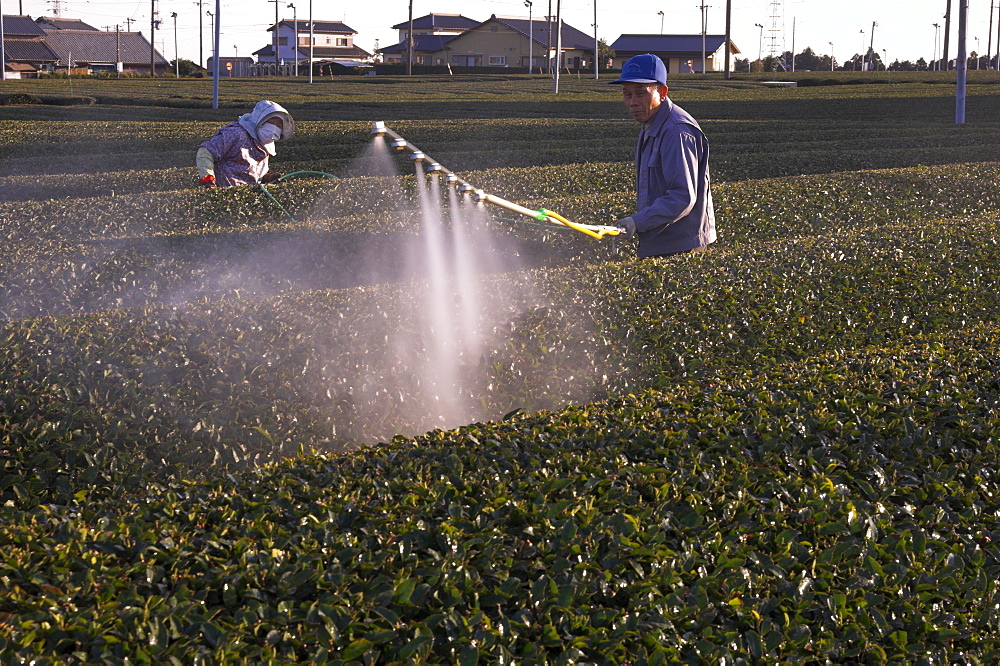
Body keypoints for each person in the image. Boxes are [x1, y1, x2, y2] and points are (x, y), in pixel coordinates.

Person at [610, 54, 716, 258]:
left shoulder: (675, 131)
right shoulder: (651, 123)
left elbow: (682, 196)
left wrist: (637, 222)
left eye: (641, 93)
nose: (632, 102)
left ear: (662, 92)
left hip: (680, 245)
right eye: (627, 94)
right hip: (662, 240)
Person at [196, 100, 295, 188]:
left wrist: (267, 178)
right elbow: (205, 152)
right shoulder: (236, 134)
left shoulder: (265, 144)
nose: (274, 128)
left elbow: (250, 171)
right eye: (271, 122)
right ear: (259, 120)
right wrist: (208, 179)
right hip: (225, 194)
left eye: (279, 125)